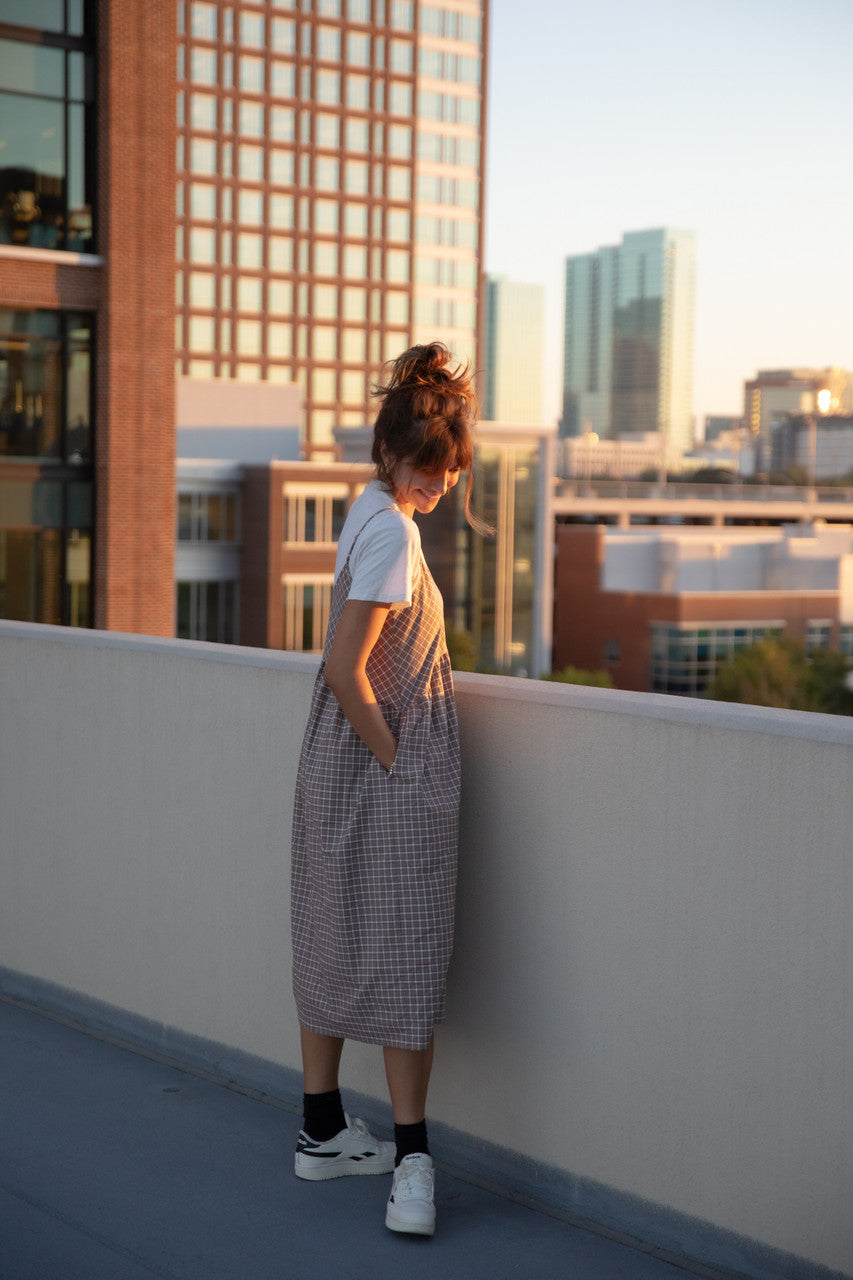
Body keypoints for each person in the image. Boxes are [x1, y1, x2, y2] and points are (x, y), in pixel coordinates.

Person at [290, 342, 483, 1238]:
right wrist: (403, 765)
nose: (440, 487)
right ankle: (413, 1163)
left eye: (449, 473)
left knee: (334, 929)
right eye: (432, 470)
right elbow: (344, 667)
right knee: (404, 952)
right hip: (380, 763)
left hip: (339, 761)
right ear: (397, 455)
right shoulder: (396, 532)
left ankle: (323, 1131)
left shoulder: (366, 508)